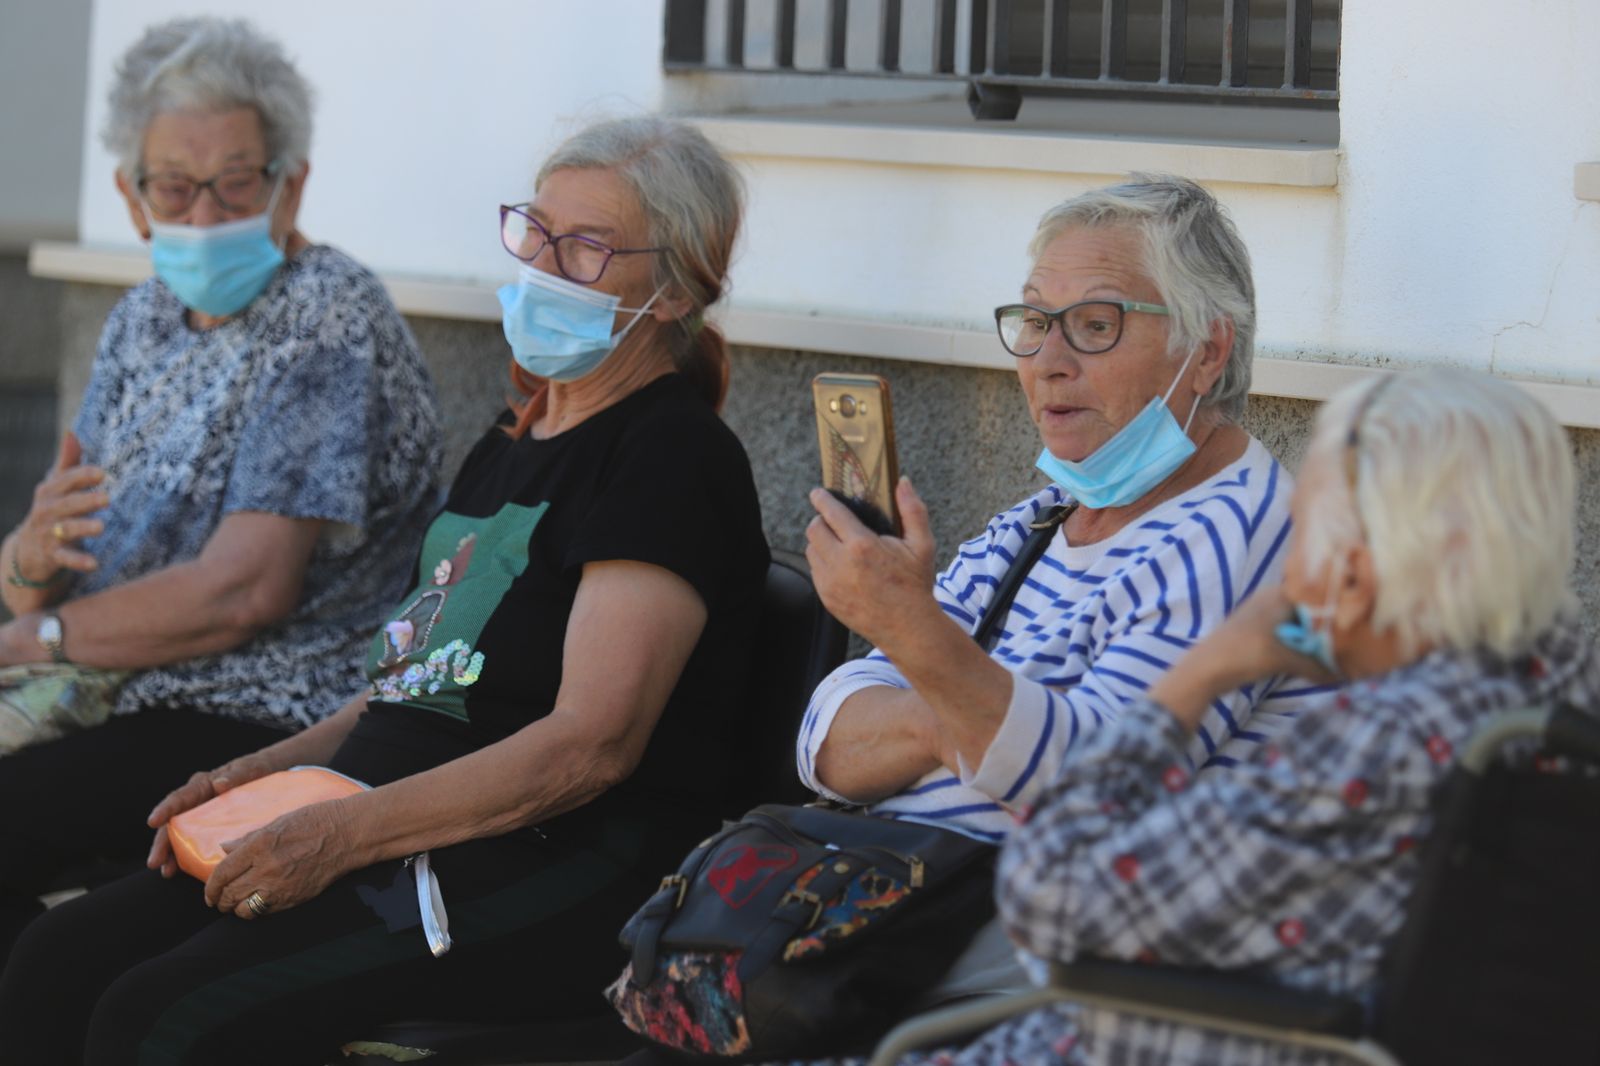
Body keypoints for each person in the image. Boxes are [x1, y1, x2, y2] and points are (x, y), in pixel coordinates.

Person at [0, 114, 770, 1065]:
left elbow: (591, 747)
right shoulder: (514, 440)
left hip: (548, 859)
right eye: (536, 230)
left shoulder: (671, 456)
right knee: (57, 959)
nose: (544, 264)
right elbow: (412, 681)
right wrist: (257, 778)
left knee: (161, 1017)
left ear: (674, 289)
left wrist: (340, 834)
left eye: (589, 246)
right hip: (382, 817)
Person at [870, 366, 1600, 1064]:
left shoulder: (1373, 746)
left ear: (1353, 569)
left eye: (1306, 529)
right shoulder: (1563, 683)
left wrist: (1201, 673)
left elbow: (1051, 905)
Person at [798, 175, 1322, 1001]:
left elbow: (1090, 792)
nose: (1048, 362)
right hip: (914, 906)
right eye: (1036, 322)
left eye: (1095, 325)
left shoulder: (1247, 535)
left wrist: (914, 636)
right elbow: (824, 743)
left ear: (1207, 351)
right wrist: (966, 726)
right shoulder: (1044, 519)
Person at [0, 17, 440, 953]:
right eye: (174, 186)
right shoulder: (140, 320)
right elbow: (54, 560)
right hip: (123, 690)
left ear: (290, 187)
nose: (204, 215)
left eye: (236, 181)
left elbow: (246, 590)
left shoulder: (325, 315)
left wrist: (33, 635)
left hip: (256, 712)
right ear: (132, 197)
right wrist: (25, 565)